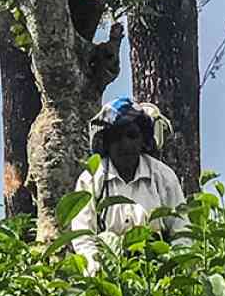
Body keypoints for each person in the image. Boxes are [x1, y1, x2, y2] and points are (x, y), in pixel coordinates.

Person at [71, 97, 187, 274]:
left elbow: (182, 231)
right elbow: (83, 237)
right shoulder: (91, 179)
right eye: (116, 136)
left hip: (157, 272)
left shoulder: (162, 176)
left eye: (132, 135)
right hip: (108, 272)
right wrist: (97, 273)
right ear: (107, 142)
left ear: (142, 140)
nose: (125, 144)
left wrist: (175, 270)